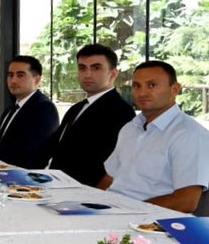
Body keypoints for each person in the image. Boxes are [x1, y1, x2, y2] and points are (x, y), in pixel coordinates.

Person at [98, 60, 209, 213]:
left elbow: (186, 202)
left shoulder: (189, 135)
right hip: (112, 212)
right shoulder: (130, 128)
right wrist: (92, 204)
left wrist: (131, 210)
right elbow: (109, 179)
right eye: (137, 86)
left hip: (148, 222)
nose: (142, 93)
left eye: (152, 85)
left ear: (175, 89)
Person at [47, 43, 136, 186]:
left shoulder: (120, 111)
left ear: (113, 73)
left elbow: (108, 164)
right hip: (56, 185)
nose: (87, 74)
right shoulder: (76, 108)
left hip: (84, 193)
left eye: (96, 68)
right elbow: (55, 147)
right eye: (82, 68)